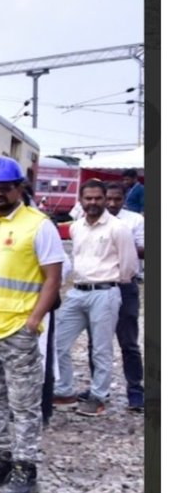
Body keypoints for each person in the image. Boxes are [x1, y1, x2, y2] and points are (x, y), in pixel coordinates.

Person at [0, 157, 65, 493]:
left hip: (17, 329)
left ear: (19, 188)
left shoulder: (39, 225)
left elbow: (53, 279)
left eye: (4, 188)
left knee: (24, 402)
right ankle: (0, 458)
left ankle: (25, 466)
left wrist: (33, 321)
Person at [52, 179, 139, 417]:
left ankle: (98, 397)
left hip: (105, 292)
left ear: (104, 199)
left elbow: (129, 266)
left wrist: (110, 284)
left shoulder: (118, 228)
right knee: (58, 343)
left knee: (101, 349)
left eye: (98, 198)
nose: (93, 202)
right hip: (77, 291)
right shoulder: (76, 227)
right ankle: (64, 390)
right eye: (88, 198)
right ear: (80, 200)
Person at [103, 181, 144, 412]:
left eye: (117, 199)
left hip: (125, 285)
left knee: (128, 342)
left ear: (124, 199)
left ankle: (135, 391)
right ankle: (100, 390)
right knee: (98, 342)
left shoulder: (135, 220)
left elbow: (145, 249)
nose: (112, 203)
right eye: (108, 198)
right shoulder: (92, 220)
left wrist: (121, 243)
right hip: (101, 285)